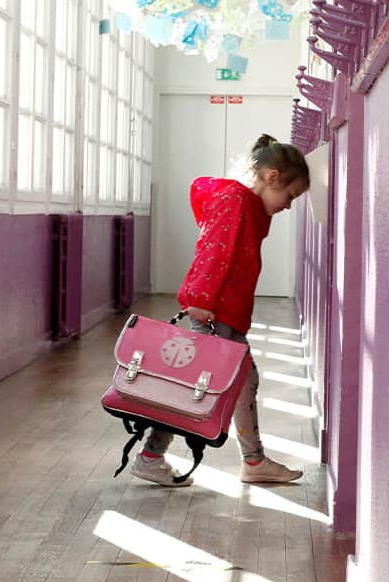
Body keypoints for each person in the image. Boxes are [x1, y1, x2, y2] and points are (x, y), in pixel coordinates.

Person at [131, 134, 311, 487]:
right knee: (191, 387)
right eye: (290, 196)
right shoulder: (235, 201)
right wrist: (200, 299)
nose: (289, 205)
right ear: (272, 177)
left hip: (226, 314)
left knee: (244, 381)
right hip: (212, 313)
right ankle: (152, 456)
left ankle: (253, 460)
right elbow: (214, 251)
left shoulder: (248, 207)